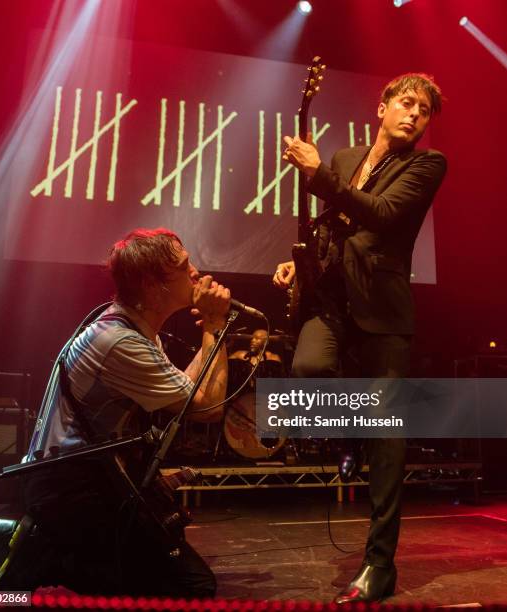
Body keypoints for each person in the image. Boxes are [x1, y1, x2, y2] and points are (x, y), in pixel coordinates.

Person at [0, 228, 231, 598]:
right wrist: (214, 325)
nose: (196, 272)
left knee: (167, 579)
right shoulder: (120, 343)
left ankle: (41, 548)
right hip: (69, 489)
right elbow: (208, 407)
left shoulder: (133, 331)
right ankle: (35, 550)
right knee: (191, 587)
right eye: (184, 266)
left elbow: (186, 396)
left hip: (85, 482)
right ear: (151, 284)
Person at [273, 74, 446, 603]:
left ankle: (378, 565)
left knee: (389, 443)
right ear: (382, 107)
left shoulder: (425, 165)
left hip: (384, 313)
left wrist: (318, 174)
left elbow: (384, 215)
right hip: (332, 303)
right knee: (305, 372)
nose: (415, 114)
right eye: (406, 102)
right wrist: (296, 263)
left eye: (424, 109)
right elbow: (330, 228)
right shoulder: (348, 158)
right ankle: (351, 436)